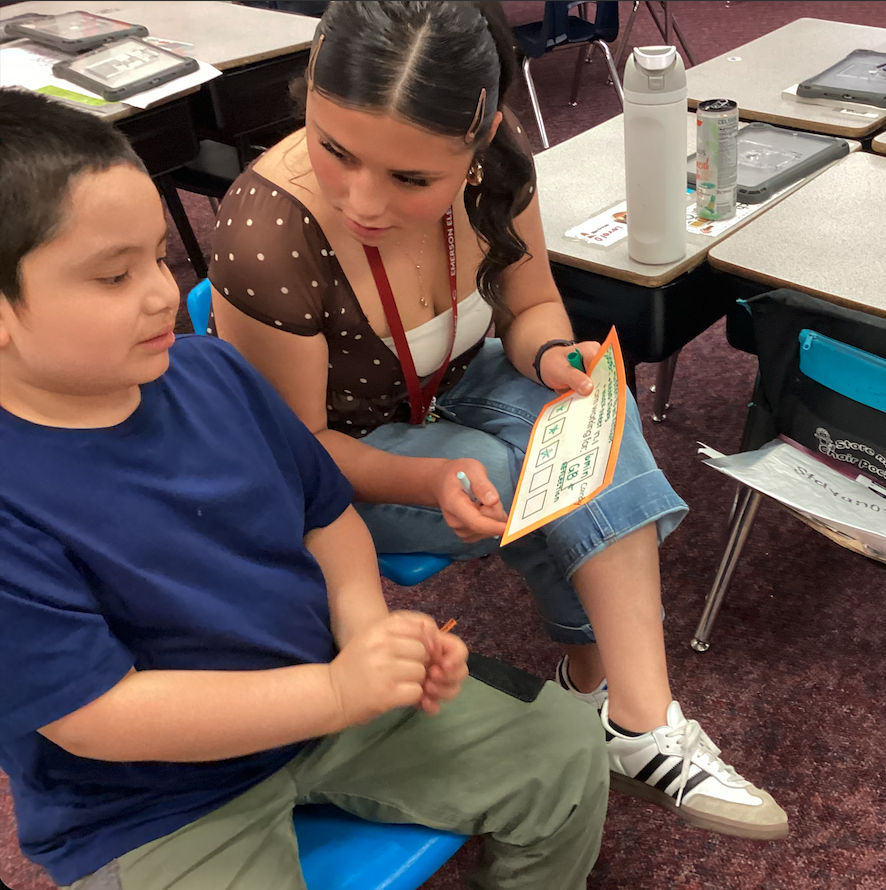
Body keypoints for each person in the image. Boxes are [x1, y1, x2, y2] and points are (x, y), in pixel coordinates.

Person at [0, 87, 609, 890]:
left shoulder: (213, 371)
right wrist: (331, 690)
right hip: (150, 801)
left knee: (564, 748)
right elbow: (96, 718)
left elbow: (327, 519)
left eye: (158, 255)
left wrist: (363, 633)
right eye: (114, 276)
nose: (160, 292)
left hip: (332, 705)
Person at [208, 0, 788, 841]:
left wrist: (556, 357)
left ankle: (639, 716)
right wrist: (429, 477)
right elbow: (295, 455)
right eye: (335, 149)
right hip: (336, 456)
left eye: (412, 179)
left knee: (591, 401)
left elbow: (532, 305)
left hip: (453, 379)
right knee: (511, 468)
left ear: (477, 149)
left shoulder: (500, 166)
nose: (364, 199)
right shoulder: (268, 234)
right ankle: (604, 689)